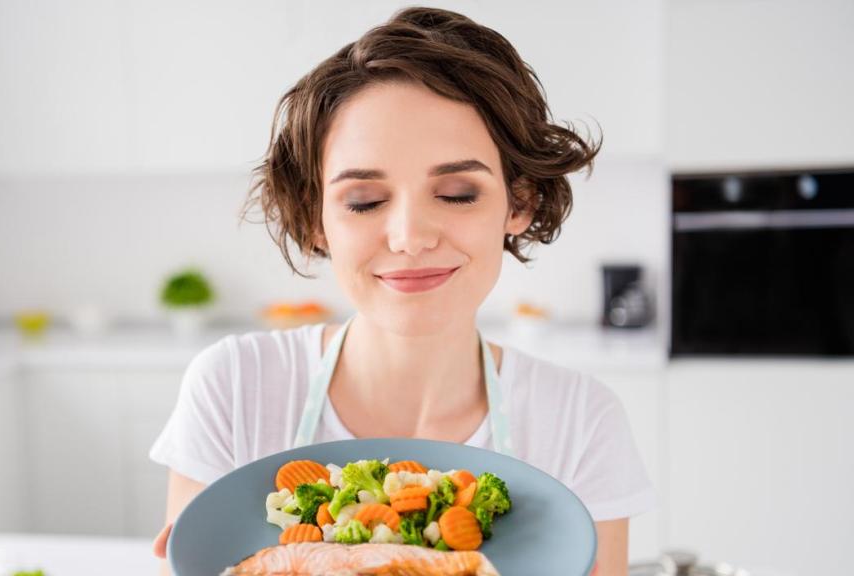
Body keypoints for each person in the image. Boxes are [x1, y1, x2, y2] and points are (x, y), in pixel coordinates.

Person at [149, 6, 656, 575]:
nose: (411, 237)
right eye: (364, 201)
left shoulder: (580, 421)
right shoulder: (235, 387)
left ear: (519, 202)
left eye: (459, 192)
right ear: (317, 220)